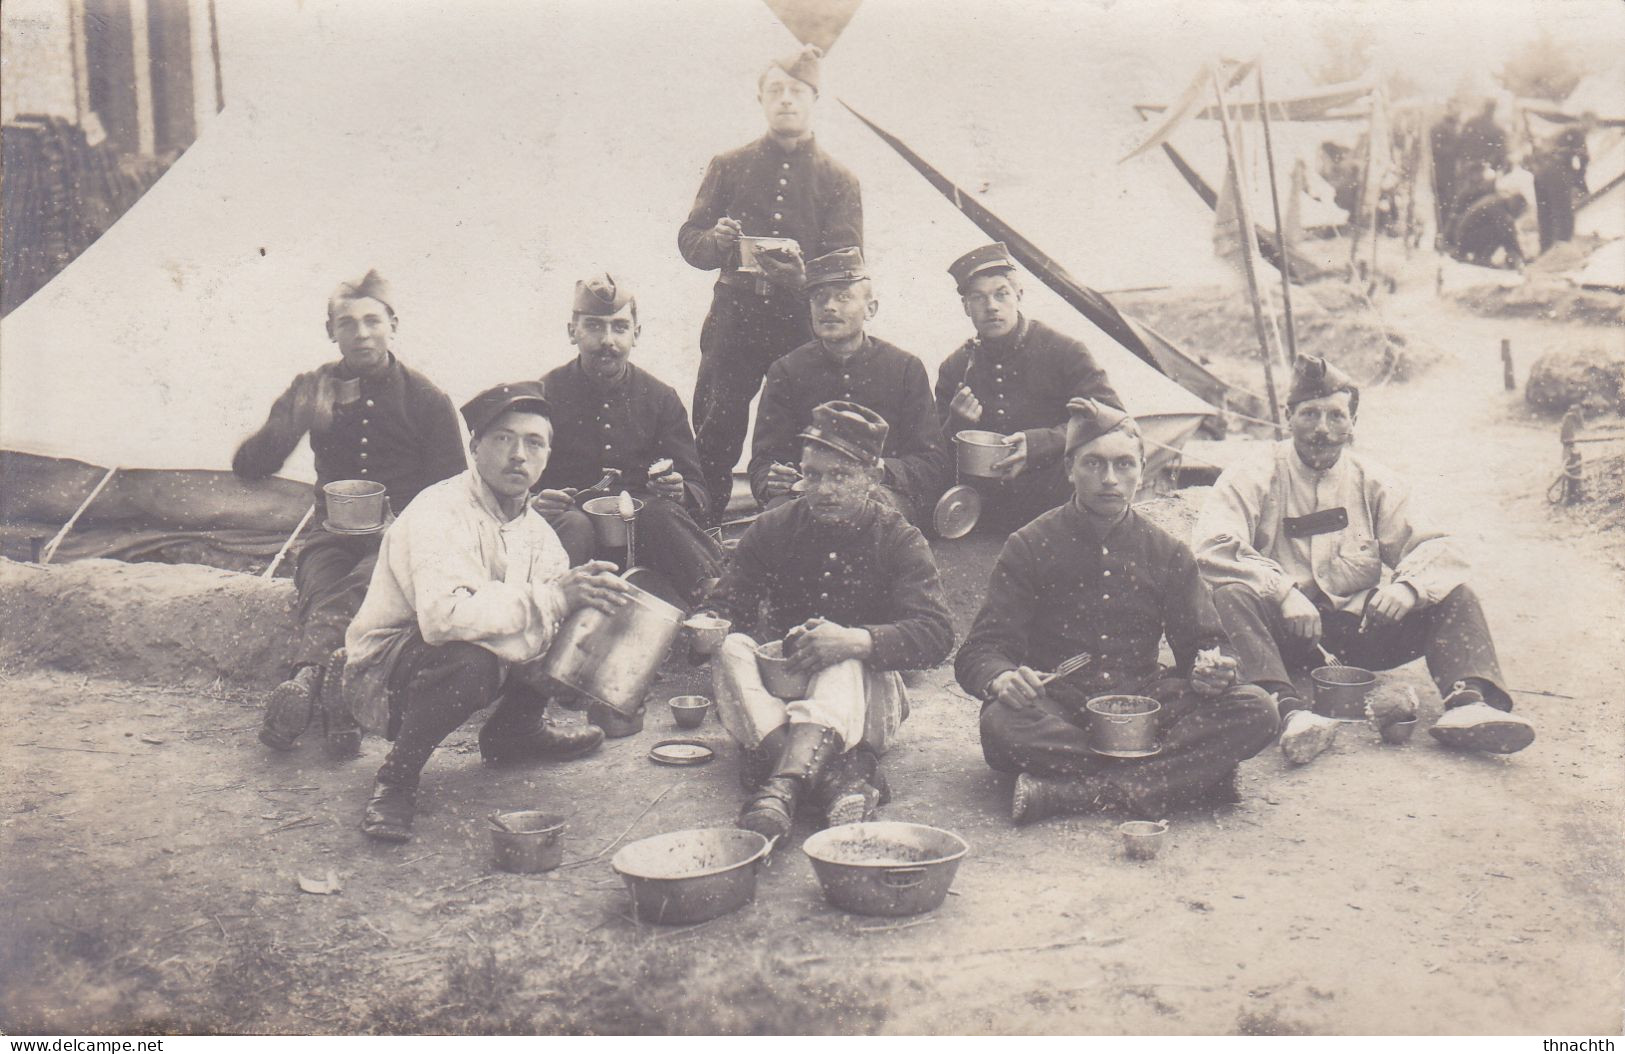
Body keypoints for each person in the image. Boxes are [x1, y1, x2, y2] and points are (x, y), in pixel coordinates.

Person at [1194, 356, 1535, 766]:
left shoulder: (1373, 480)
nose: (1323, 429)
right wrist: (1281, 591)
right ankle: (1288, 710)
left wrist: (1407, 588)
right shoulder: (1253, 473)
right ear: (1288, 417)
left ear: (1353, 423)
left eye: (1336, 416)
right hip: (1281, 635)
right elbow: (1214, 542)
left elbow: (1440, 547)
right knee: (1232, 594)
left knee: (1455, 595)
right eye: (1310, 414)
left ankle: (1467, 703)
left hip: (1359, 635)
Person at [955, 399, 1278, 825]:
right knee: (1001, 726)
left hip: (1145, 703)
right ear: (1069, 469)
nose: (1110, 479)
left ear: (1143, 470)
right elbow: (981, 651)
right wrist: (1002, 678)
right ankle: (1182, 778)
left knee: (1258, 709)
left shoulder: (1167, 552)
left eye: (1125, 465)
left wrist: (1213, 668)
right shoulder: (1030, 544)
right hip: (1059, 707)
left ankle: (1085, 791)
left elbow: (1205, 645)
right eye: (1093, 464)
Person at [341, 382, 633, 843]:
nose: (518, 454)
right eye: (503, 438)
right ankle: (396, 780)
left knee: (565, 614)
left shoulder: (540, 535)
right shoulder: (439, 509)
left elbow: (541, 620)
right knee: (472, 659)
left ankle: (516, 732)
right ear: (475, 447)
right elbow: (442, 621)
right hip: (386, 673)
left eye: (533, 443)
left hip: (472, 654)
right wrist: (554, 601)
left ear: (547, 457)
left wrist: (579, 665)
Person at [232, 270, 465, 757]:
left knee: (368, 580)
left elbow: (453, 491)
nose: (361, 334)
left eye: (372, 321)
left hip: (401, 539)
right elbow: (249, 467)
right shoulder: (311, 388)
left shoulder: (426, 399)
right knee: (319, 579)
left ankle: (305, 677)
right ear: (330, 331)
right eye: (347, 323)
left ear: (393, 325)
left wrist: (406, 526)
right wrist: (295, 419)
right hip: (331, 533)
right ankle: (341, 708)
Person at [697, 401, 953, 840]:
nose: (824, 489)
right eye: (813, 475)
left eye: (841, 476)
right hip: (782, 696)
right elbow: (729, 603)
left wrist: (857, 641)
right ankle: (835, 780)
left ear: (872, 478)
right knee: (732, 647)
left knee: (844, 657)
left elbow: (937, 633)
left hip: (865, 700)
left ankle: (780, 788)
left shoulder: (898, 537)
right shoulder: (775, 527)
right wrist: (709, 621)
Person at [678, 43, 863, 518]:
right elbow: (690, 241)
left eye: (797, 90)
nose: (786, 99)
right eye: (775, 89)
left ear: (813, 99)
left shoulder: (839, 178)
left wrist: (805, 278)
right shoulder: (728, 164)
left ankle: (796, 520)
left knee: (801, 424)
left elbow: (848, 266)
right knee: (716, 424)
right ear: (760, 98)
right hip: (734, 317)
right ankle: (704, 519)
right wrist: (717, 241)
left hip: (798, 321)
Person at [531, 273, 723, 604]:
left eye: (619, 327)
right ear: (572, 332)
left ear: (636, 334)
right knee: (574, 528)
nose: (608, 340)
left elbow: (697, 488)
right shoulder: (543, 395)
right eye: (594, 326)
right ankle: (551, 614)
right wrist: (535, 500)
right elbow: (519, 479)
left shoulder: (660, 397)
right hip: (571, 526)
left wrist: (681, 491)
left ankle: (715, 604)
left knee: (660, 514)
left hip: (644, 527)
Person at [748, 247, 951, 525]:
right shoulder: (786, 371)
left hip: (880, 493)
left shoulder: (905, 368)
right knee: (775, 525)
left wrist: (880, 470)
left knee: (874, 517)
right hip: (808, 495)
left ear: (871, 309)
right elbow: (763, 460)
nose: (829, 306)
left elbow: (931, 462)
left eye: (843, 297)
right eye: (819, 298)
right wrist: (771, 479)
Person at [933, 243, 1123, 531]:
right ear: (965, 307)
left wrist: (1039, 444)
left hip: (1057, 501)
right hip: (984, 511)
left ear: (1018, 295)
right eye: (978, 297)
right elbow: (933, 450)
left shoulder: (1065, 351)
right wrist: (955, 422)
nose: (991, 306)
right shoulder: (955, 367)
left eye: (1001, 294)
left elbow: (1112, 421)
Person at [1451, 192, 1527, 269]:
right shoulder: (1498, 207)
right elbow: (1507, 232)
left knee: (1501, 230)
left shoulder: (1498, 201)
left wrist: (1514, 251)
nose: (1517, 215)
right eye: (1518, 211)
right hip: (1466, 239)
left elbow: (1509, 232)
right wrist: (1519, 254)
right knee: (1499, 231)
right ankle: (1482, 258)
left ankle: (1480, 257)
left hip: (1465, 237)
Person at [1429, 107, 1462, 238]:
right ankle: (1442, 234)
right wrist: (1455, 150)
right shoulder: (1439, 128)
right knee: (1443, 203)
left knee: (1448, 204)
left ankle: (1446, 234)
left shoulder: (1455, 128)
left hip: (1450, 174)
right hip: (1441, 172)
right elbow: (1435, 149)